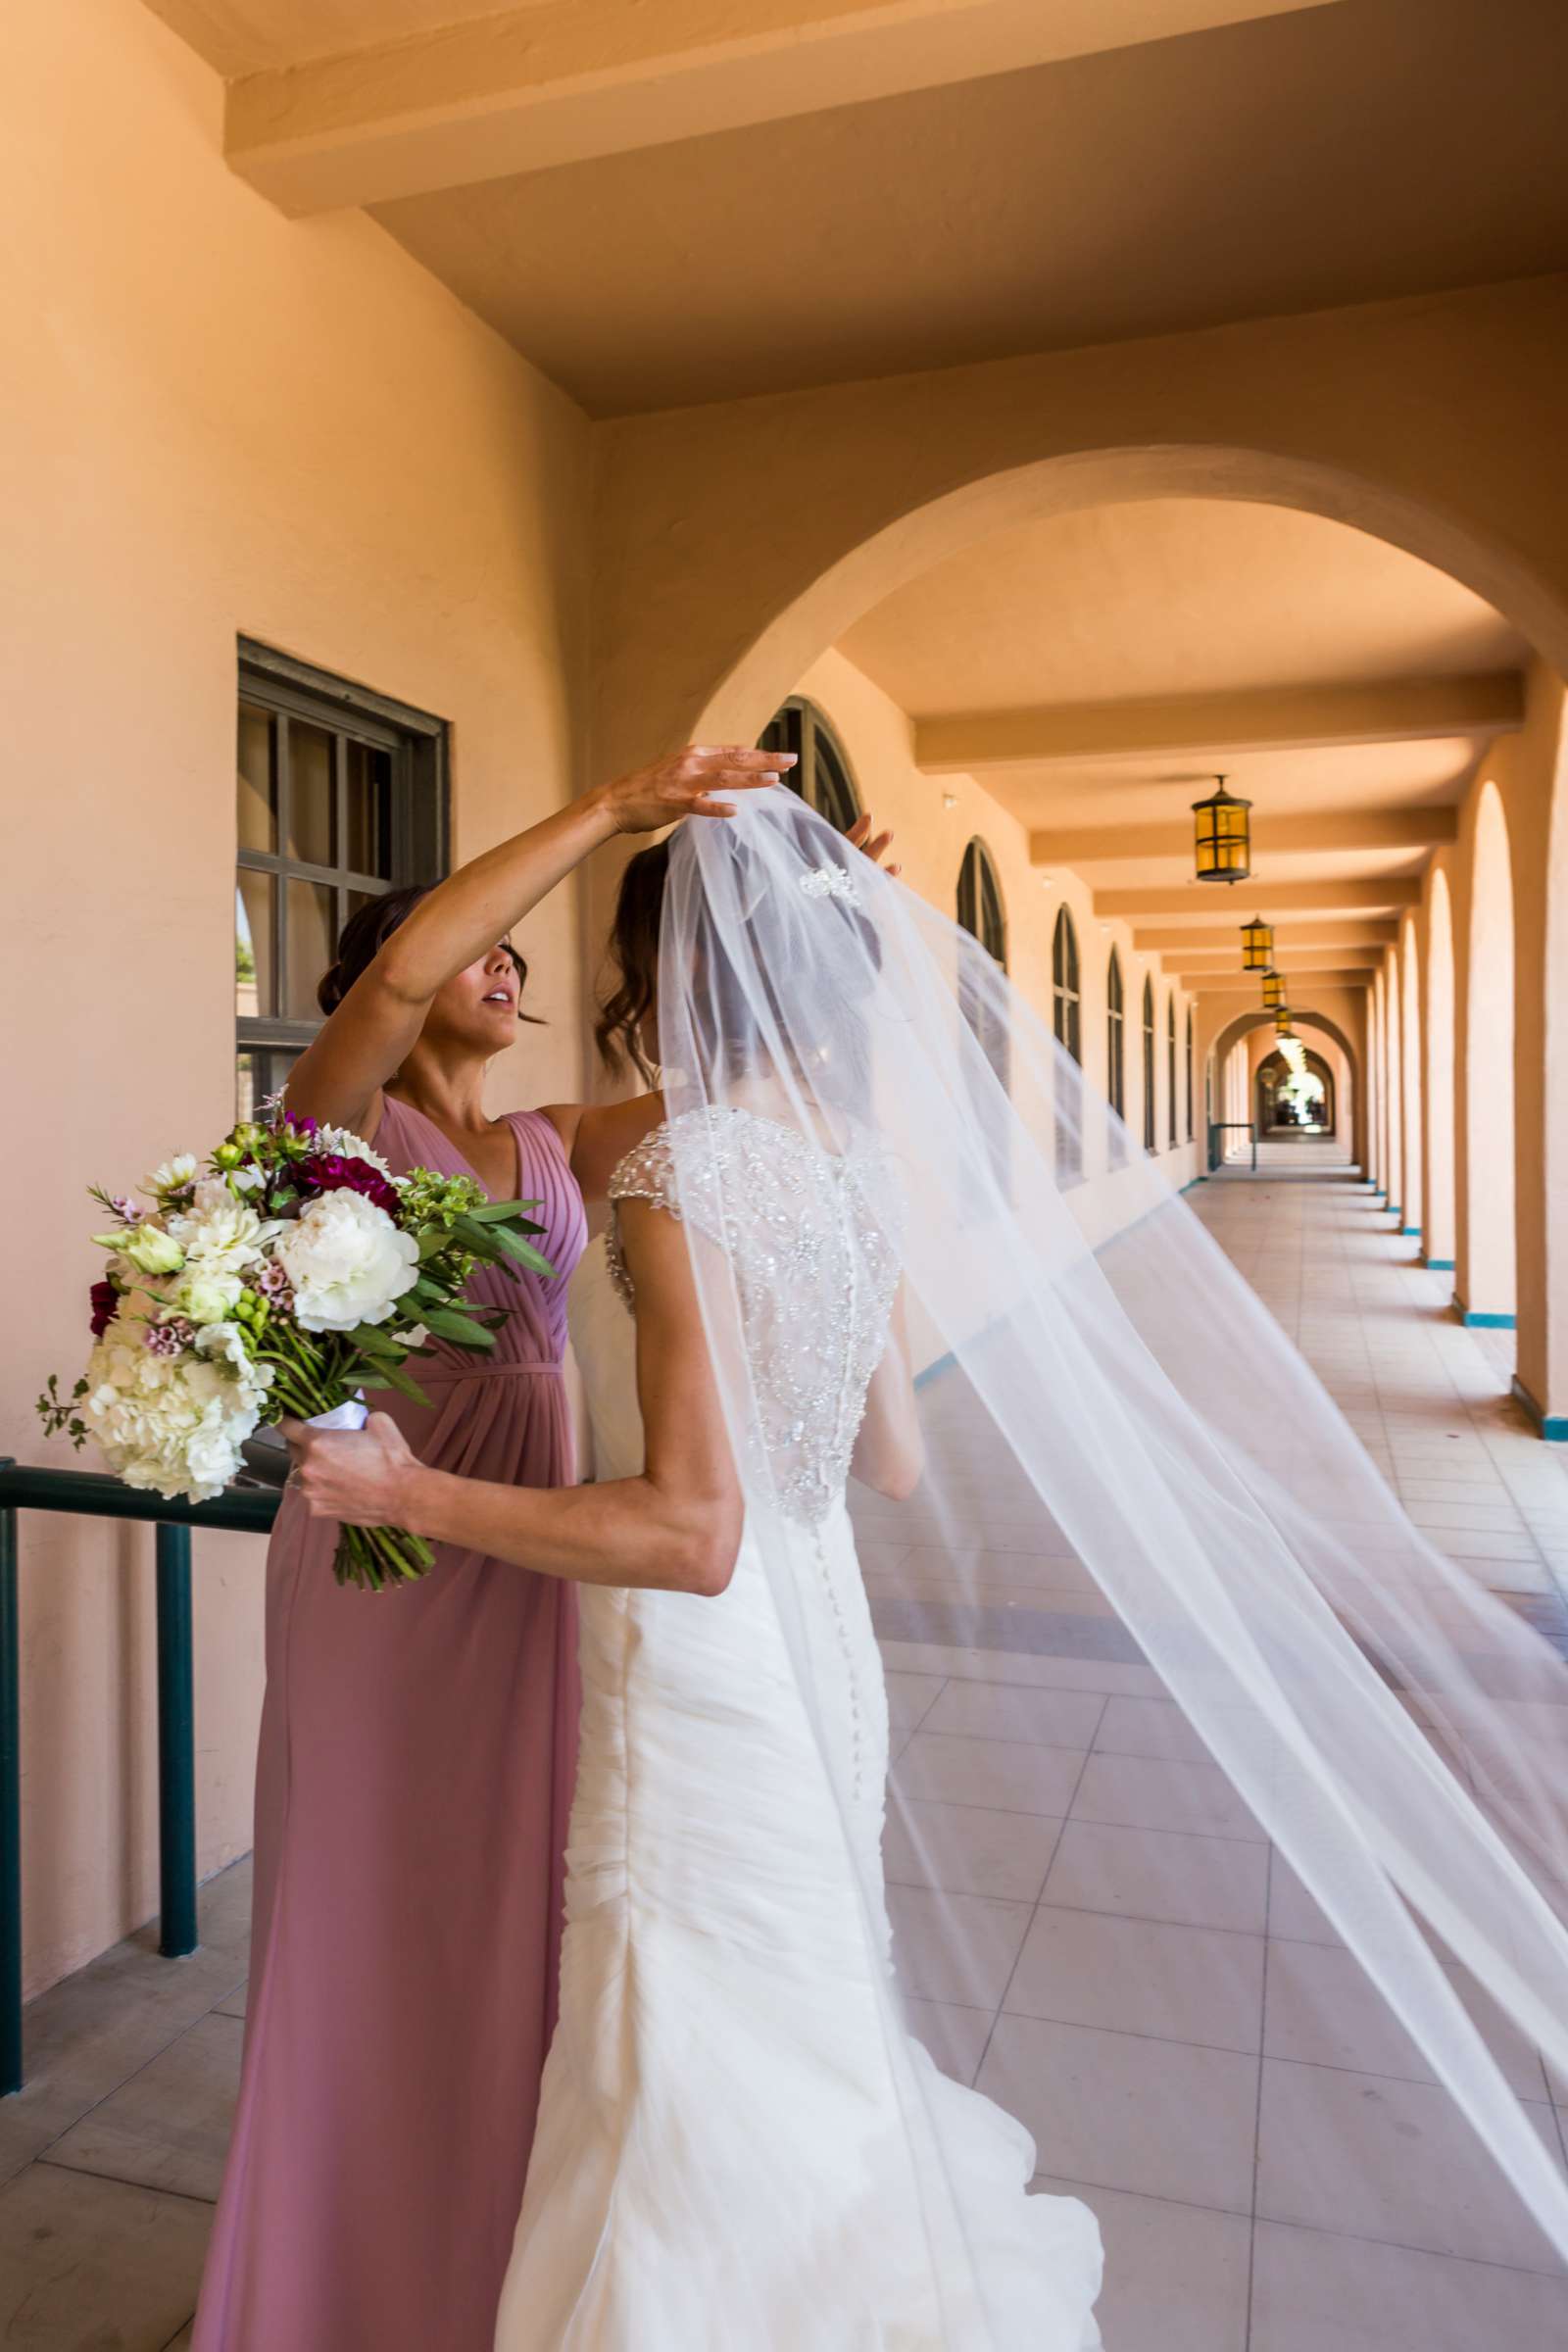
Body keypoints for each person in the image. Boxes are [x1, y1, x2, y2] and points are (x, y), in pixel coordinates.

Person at [291, 788, 1568, 2347]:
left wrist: (415, 1487)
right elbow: (885, 1458)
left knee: (693, 2023)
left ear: (657, 967)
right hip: (826, 1636)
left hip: (712, 1654)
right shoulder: (857, 1167)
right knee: (806, 1991)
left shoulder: (678, 1174)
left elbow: (694, 1538)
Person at [193, 746, 803, 2352]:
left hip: (527, 1550)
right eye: (489, 937)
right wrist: (612, 810)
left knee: (520, 1917)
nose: (509, 963)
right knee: (369, 1911)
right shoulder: (331, 1123)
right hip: (382, 1571)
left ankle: (486, 2275)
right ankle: (329, 2287)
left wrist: (805, 917)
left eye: (524, 951)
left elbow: (733, 1103)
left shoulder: (562, 1141)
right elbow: (399, 969)